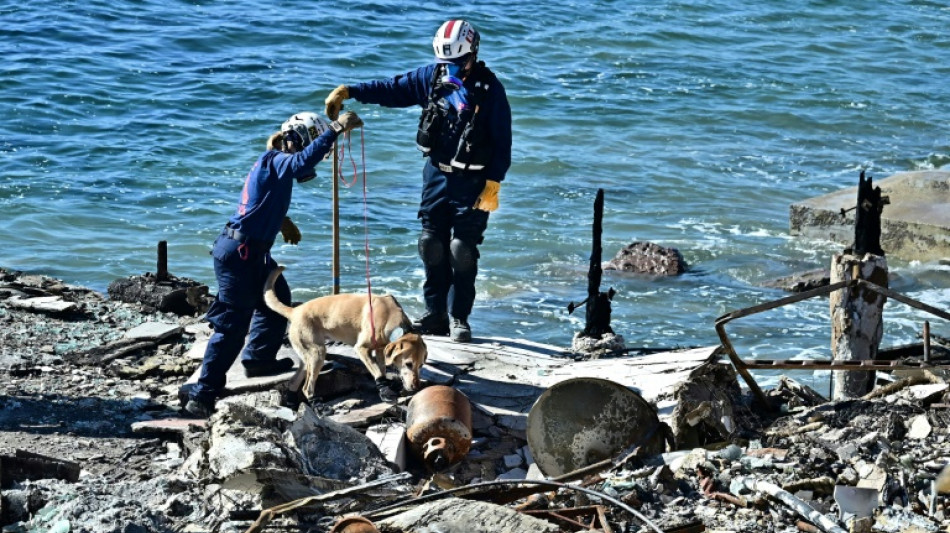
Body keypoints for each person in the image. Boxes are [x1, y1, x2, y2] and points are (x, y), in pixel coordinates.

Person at [324, 19, 512, 343]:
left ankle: (459, 317)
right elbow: (392, 88)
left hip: (474, 182)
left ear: (473, 54)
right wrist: (351, 91)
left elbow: (503, 141)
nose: (452, 68)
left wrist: (493, 184)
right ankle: (436, 314)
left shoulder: (490, 89)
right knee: (431, 245)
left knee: (461, 250)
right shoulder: (431, 78)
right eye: (446, 62)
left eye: (458, 62)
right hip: (437, 175)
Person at [184, 110, 364, 418]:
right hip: (238, 254)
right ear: (298, 139)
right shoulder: (276, 159)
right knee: (232, 326)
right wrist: (335, 128)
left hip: (252, 251)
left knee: (276, 298)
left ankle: (258, 358)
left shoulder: (274, 165)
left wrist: (281, 221)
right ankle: (203, 393)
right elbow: (300, 162)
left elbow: (261, 200)